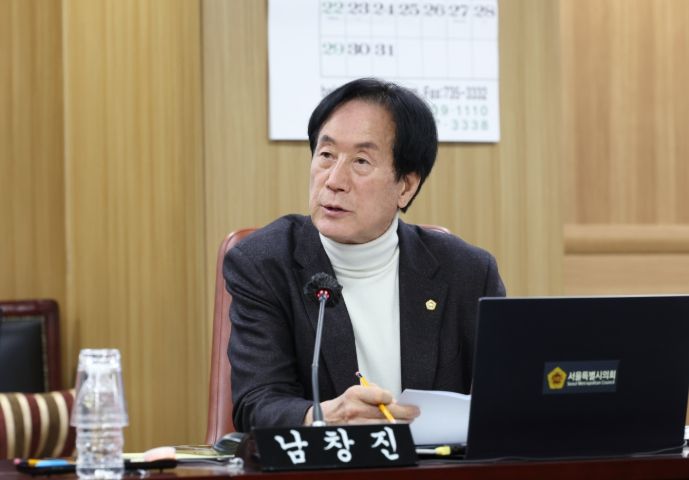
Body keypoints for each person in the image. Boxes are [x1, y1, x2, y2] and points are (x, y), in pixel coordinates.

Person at [225, 78, 505, 431]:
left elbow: (505, 398)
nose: (334, 180)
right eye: (326, 155)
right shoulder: (265, 263)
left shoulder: (467, 272)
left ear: (406, 186)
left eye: (360, 161)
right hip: (324, 460)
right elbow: (257, 403)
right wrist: (326, 416)